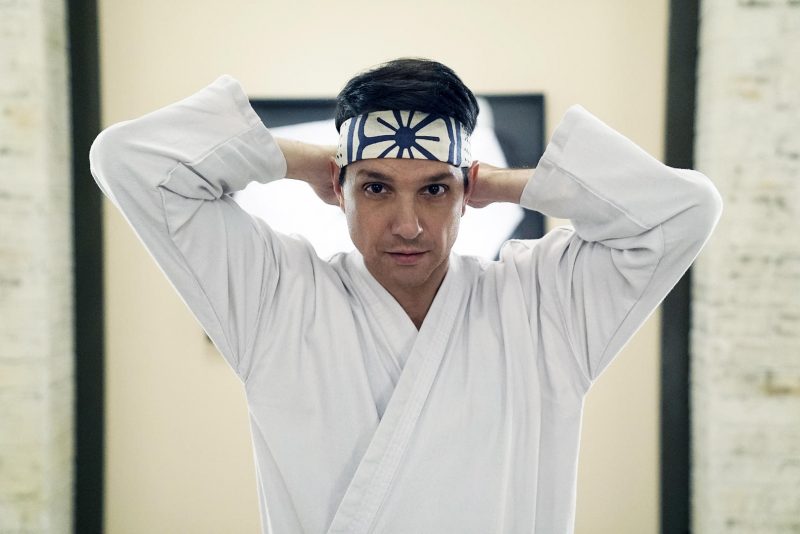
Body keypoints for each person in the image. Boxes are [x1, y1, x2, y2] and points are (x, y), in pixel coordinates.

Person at [89, 58, 722, 534]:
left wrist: (502, 183)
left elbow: (685, 210)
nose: (408, 225)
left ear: (465, 193)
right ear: (339, 190)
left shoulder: (543, 306)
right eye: (376, 188)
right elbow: (126, 157)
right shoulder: (274, 297)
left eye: (435, 190)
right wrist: (306, 161)